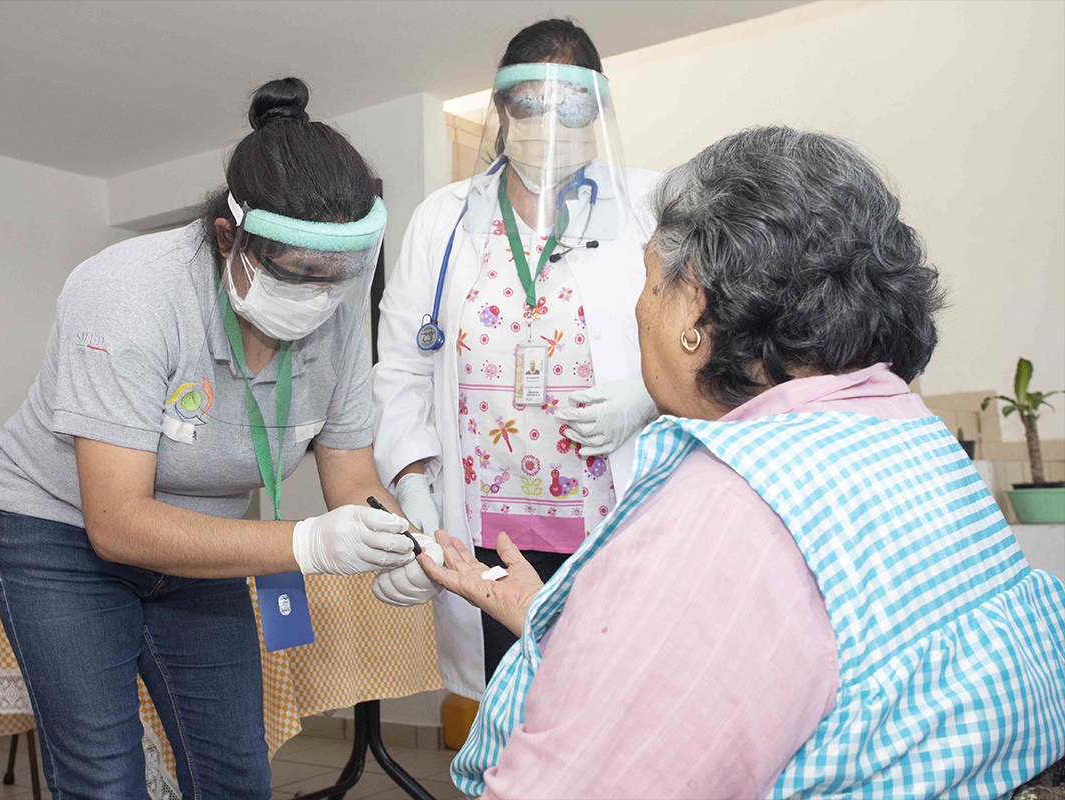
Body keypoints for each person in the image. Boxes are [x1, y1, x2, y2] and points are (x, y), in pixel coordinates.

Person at [419, 127, 1065, 798]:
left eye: (647, 283)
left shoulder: (730, 509)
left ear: (692, 305)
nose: (640, 311)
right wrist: (566, 621)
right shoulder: (910, 438)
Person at [0, 78, 442, 800]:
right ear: (231, 238)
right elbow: (117, 522)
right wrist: (310, 545)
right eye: (297, 274)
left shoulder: (339, 323)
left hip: (205, 542)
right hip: (60, 535)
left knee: (235, 770)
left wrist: (403, 544)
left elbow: (351, 479)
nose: (320, 297)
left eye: (338, 277)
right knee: (103, 775)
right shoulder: (129, 294)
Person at [371, 18, 662, 698]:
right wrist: (412, 477)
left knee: (618, 706)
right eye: (530, 101)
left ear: (598, 111)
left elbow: (703, 339)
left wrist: (645, 397)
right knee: (512, 718)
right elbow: (402, 368)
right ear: (500, 109)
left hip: (613, 517)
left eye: (572, 104)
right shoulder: (445, 220)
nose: (549, 121)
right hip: (485, 528)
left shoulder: (647, 205)